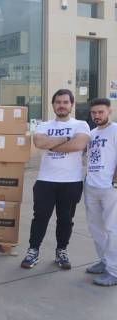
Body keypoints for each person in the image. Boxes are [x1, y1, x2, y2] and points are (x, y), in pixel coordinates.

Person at [21, 89, 90, 270]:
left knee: (65, 219)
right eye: (58, 102)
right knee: (40, 217)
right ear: (53, 105)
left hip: (71, 181)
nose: (62, 105)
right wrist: (67, 139)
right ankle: (33, 251)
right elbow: (40, 143)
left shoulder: (81, 125)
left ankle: (62, 251)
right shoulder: (43, 125)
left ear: (71, 105)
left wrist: (53, 143)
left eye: (65, 102)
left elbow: (79, 145)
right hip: (45, 180)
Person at [84, 98, 117, 286]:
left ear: (109, 111)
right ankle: (105, 261)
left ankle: (114, 271)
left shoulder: (115, 130)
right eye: (94, 113)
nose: (97, 116)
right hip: (91, 186)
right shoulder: (91, 133)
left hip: (109, 188)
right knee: (96, 228)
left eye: (100, 112)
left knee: (112, 229)